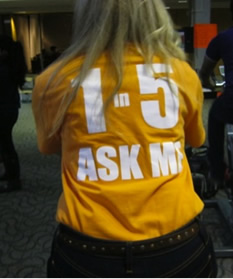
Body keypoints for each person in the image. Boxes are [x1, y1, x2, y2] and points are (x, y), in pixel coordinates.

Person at [32, 0, 217, 277]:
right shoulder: (181, 74)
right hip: (177, 246)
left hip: (86, 252)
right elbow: (194, 139)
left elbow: (51, 147)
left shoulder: (52, 81)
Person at [199, 0, 233, 190]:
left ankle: (218, 173)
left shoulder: (222, 38)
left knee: (215, 115)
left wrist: (207, 83)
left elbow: (204, 72)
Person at [0, 35, 27, 193]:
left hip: (4, 111)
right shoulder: (10, 67)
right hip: (9, 110)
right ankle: (10, 174)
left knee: (6, 145)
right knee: (6, 144)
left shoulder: (3, 70)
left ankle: (13, 179)